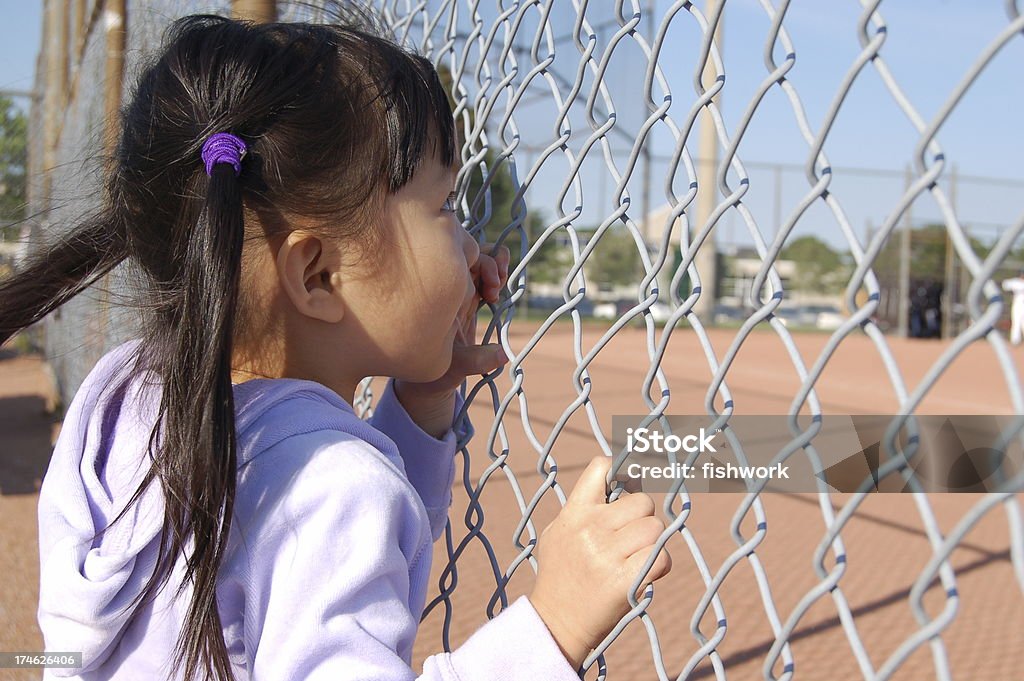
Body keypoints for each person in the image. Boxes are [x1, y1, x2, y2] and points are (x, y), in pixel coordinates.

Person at [0, 11, 672, 681]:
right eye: (443, 207)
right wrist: (553, 623)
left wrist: (424, 395)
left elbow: (303, 538)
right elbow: (324, 511)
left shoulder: (123, 393)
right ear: (317, 273)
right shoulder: (337, 490)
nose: (471, 245)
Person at [1003, 270, 1024, 346]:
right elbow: (1005, 284)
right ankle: (1015, 340)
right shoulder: (1016, 282)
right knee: (1016, 322)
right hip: (1018, 304)